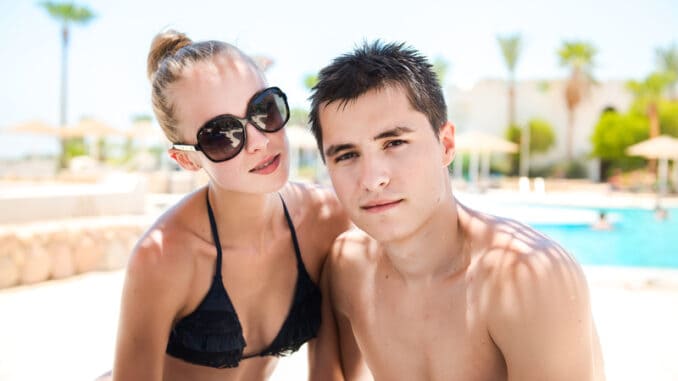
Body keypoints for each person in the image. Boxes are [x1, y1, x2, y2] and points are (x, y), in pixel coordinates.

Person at [308, 41, 606, 381]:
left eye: (394, 143)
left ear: (446, 144)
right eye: (346, 155)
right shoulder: (347, 269)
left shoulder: (524, 278)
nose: (372, 179)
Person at [111, 30, 349, 381]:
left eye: (263, 110)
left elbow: (333, 373)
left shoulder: (326, 220)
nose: (258, 142)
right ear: (187, 160)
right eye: (221, 134)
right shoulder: (164, 256)